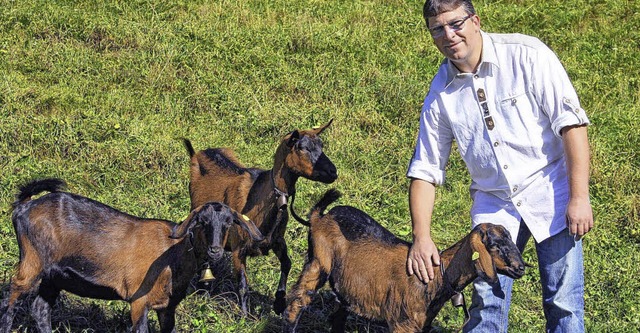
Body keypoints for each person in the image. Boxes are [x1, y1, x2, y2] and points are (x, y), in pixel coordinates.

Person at [405, 0, 594, 332]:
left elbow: (572, 126)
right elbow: (426, 168)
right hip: (494, 202)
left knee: (563, 303)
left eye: (455, 23)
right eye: (438, 29)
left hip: (551, 188)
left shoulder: (527, 55)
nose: (448, 35)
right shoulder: (441, 94)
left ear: (475, 21)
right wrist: (421, 236)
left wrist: (579, 198)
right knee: (487, 303)